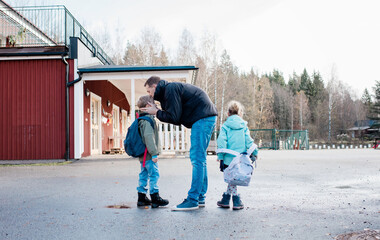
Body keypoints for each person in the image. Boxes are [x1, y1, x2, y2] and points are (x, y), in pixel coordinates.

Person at [142, 76, 217, 211]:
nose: (150, 95)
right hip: (206, 117)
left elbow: (174, 118)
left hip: (202, 118)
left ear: (154, 86)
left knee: (197, 159)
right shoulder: (169, 90)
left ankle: (193, 199)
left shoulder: (170, 89)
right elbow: (174, 112)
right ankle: (200, 197)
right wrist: (158, 109)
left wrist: (157, 112)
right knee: (200, 159)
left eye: (149, 91)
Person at [216, 100, 258, 210]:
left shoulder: (225, 126)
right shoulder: (243, 126)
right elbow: (249, 141)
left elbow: (221, 142)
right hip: (240, 160)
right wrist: (255, 152)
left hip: (228, 159)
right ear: (240, 113)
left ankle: (232, 199)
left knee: (232, 178)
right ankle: (232, 200)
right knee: (232, 179)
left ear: (228, 113)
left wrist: (220, 156)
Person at [136, 95, 169, 208]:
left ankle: (141, 197)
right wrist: (154, 153)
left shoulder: (140, 119)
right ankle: (155, 197)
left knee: (143, 175)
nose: (156, 106)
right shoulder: (147, 121)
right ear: (148, 106)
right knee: (154, 175)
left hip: (143, 156)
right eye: (154, 104)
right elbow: (148, 137)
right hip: (149, 155)